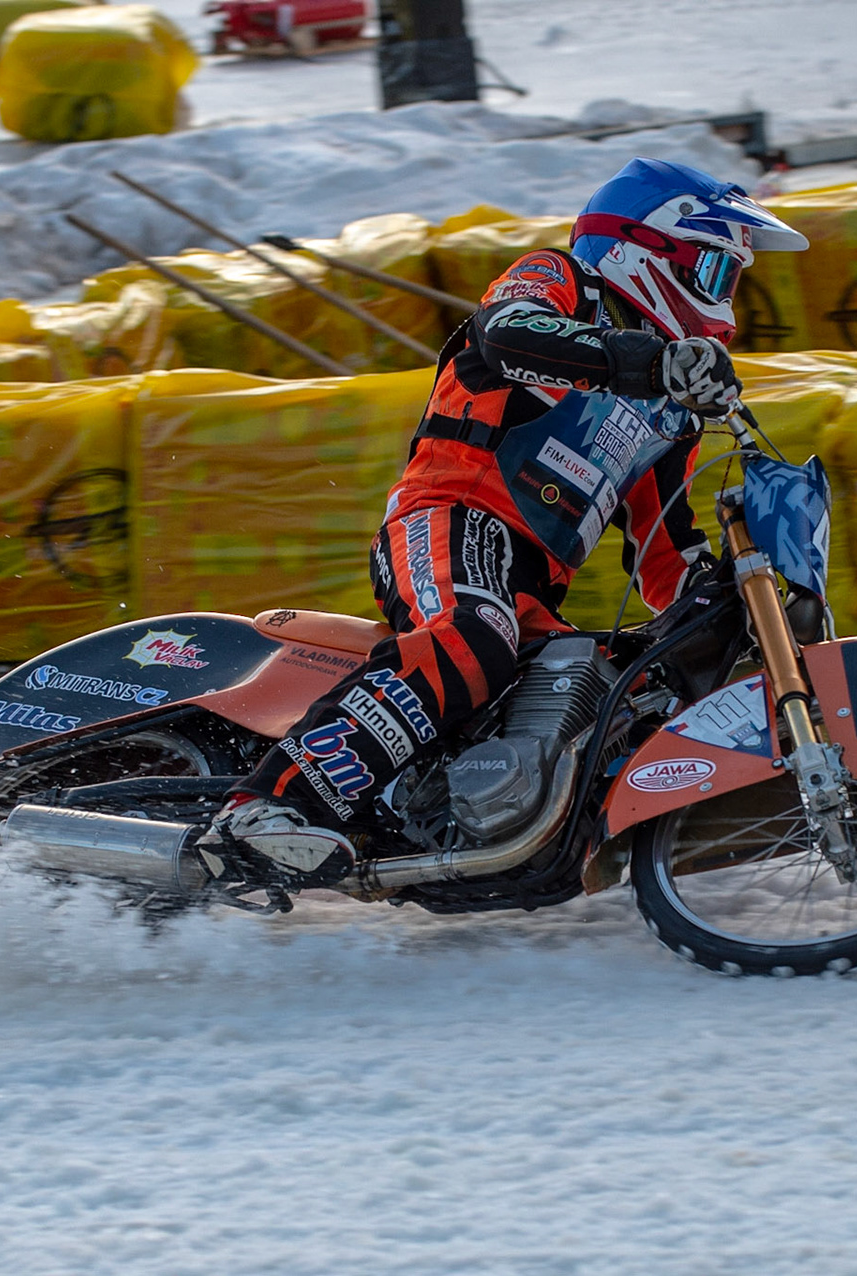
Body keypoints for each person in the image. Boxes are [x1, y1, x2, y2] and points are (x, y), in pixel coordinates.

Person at [218, 158, 810, 886]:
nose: (725, 299)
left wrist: (734, 601)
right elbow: (508, 332)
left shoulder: (668, 411)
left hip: (532, 586)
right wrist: (647, 359)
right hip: (448, 519)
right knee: (471, 638)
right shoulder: (562, 281)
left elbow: (663, 552)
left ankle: (470, 839)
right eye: (717, 273)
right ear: (646, 249)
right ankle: (266, 805)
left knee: (609, 704)